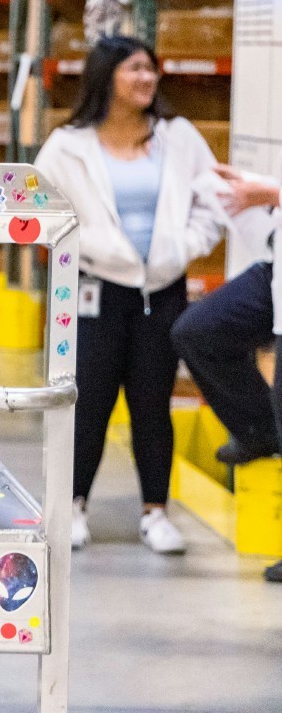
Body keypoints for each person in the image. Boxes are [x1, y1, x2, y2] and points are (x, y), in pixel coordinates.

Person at [34, 35, 225, 555]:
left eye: (151, 69)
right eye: (134, 69)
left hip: (160, 290)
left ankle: (155, 513)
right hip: (95, 290)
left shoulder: (179, 137)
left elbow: (213, 202)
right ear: (106, 77)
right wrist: (87, 248)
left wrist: (185, 246)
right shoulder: (67, 144)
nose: (147, 78)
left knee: (152, 403)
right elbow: (42, 211)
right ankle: (72, 506)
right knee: (88, 401)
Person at [170, 164, 282, 583]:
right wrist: (252, 183)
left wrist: (270, 194)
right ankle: (259, 431)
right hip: (276, 273)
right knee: (198, 331)